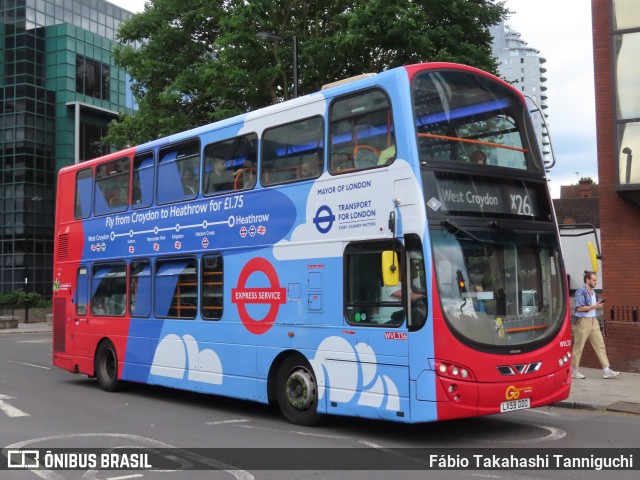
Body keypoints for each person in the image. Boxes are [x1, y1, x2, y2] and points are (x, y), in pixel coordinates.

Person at [571, 270, 620, 379]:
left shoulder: (594, 293)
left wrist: (597, 308)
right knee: (578, 347)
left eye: (596, 280)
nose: (595, 282)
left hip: (594, 322)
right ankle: (574, 371)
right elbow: (579, 308)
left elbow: (594, 307)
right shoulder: (580, 292)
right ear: (587, 280)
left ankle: (606, 370)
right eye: (593, 280)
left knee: (600, 345)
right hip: (583, 322)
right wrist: (594, 307)